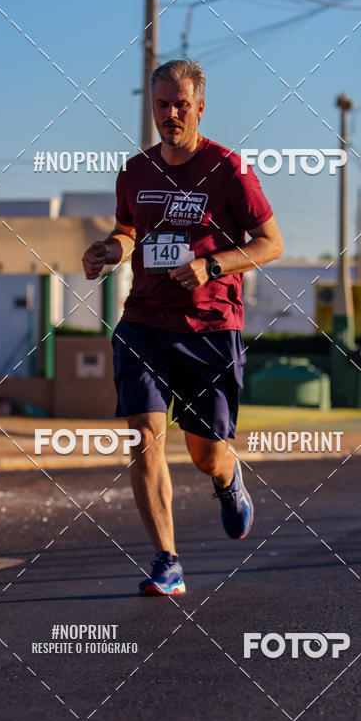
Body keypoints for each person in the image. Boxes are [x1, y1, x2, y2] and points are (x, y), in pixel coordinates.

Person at [82, 59, 282, 596]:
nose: (170, 114)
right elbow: (129, 231)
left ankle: (227, 477)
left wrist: (211, 266)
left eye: (180, 104)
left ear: (199, 107)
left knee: (204, 454)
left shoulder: (229, 169)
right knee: (144, 437)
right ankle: (167, 561)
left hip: (209, 327)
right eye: (161, 104)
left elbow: (271, 243)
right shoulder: (134, 172)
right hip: (144, 320)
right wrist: (109, 249)